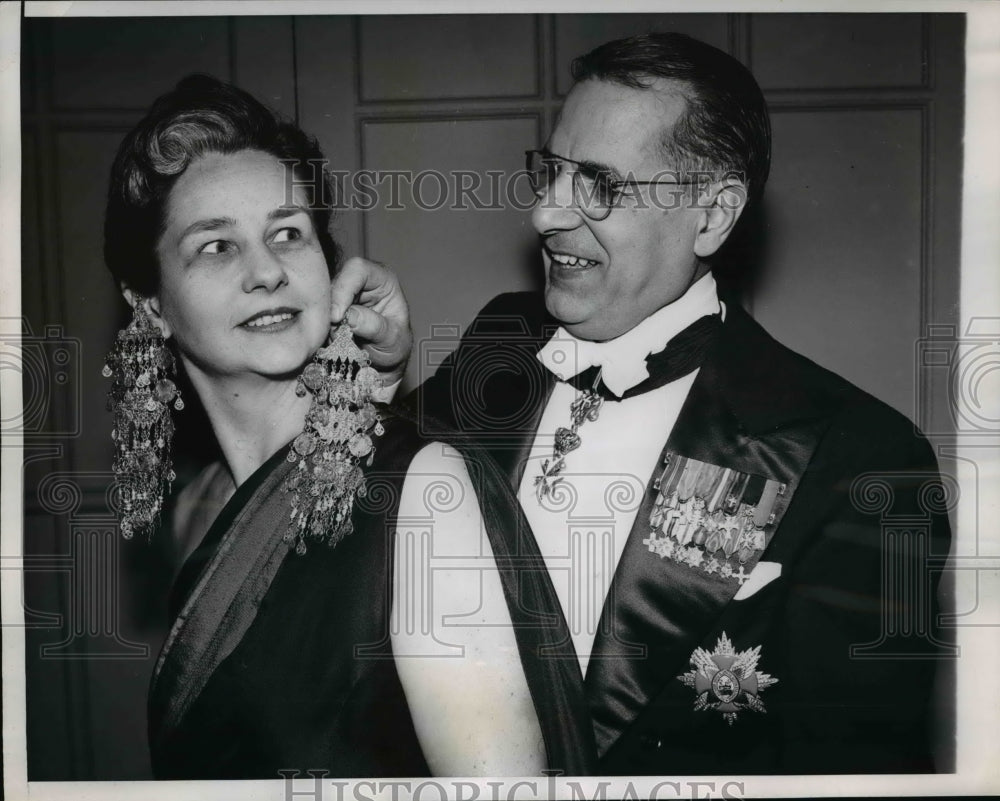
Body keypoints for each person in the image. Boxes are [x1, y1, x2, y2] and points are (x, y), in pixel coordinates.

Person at [351, 33, 953, 774]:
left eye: (600, 185)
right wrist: (375, 393)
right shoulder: (500, 343)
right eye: (551, 172)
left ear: (712, 215)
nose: (544, 214)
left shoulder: (864, 459)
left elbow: (856, 778)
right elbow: (360, 547)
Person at [101, 74, 595, 779]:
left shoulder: (423, 494)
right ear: (148, 301)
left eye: (288, 234)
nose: (267, 270)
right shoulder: (197, 515)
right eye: (216, 246)